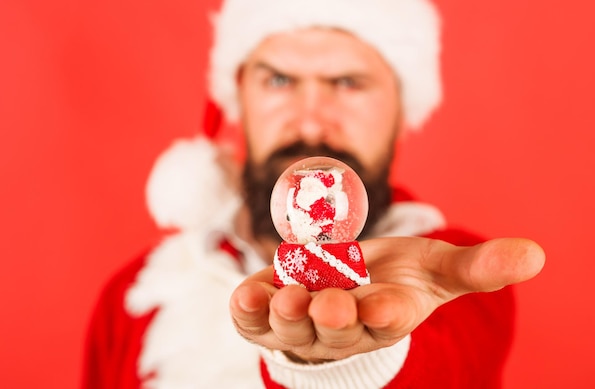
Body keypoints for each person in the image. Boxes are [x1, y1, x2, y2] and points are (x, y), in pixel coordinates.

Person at [82, 0, 545, 388]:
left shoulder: (459, 280)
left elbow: (445, 368)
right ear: (238, 97)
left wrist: (349, 363)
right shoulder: (133, 298)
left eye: (348, 83)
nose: (310, 122)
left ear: (400, 107)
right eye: (279, 81)